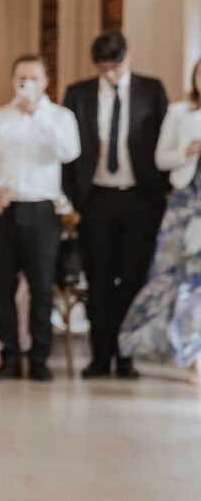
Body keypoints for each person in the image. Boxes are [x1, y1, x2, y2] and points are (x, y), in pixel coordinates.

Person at [63, 31, 169, 379]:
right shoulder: (77, 94)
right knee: (99, 279)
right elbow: (69, 152)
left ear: (129, 57)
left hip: (141, 198)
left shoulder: (151, 90)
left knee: (133, 280)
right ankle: (100, 355)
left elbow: (162, 141)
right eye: (103, 68)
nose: (110, 74)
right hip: (97, 198)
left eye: (116, 66)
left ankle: (126, 356)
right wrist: (72, 200)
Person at [0, 55, 81, 381]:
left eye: (34, 78)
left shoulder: (60, 117)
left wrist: (38, 115)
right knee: (1, 285)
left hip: (42, 210)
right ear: (12, 80)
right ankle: (9, 355)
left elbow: (69, 152)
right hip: (2, 211)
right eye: (22, 77)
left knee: (41, 286)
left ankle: (39, 357)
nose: (27, 83)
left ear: (46, 81)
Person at [120, 59, 201, 386]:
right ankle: (168, 346)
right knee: (167, 276)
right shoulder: (179, 112)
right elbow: (160, 159)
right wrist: (187, 150)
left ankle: (195, 355)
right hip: (184, 203)